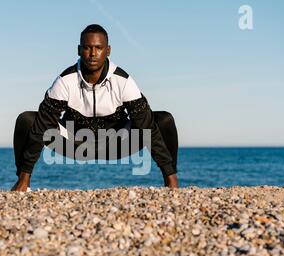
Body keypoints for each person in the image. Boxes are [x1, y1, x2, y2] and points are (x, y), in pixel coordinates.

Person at [12, 24, 179, 192]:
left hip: (117, 144)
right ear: (79, 50)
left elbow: (147, 126)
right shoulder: (65, 81)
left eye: (98, 48)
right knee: (27, 120)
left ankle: (171, 182)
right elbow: (42, 125)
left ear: (108, 51)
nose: (92, 54)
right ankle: (22, 182)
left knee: (163, 120)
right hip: (75, 144)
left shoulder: (124, 81)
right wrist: (25, 174)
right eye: (87, 48)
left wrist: (170, 174)